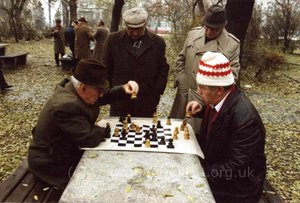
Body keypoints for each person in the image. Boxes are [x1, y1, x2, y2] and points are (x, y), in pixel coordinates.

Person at [27, 59, 139, 189]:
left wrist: (123, 89)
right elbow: (89, 138)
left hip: (64, 150)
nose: (101, 94)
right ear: (83, 87)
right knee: (97, 185)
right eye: (99, 90)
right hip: (51, 162)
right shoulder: (67, 105)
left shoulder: (76, 88)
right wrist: (104, 129)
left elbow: (101, 96)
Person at [186, 51, 266, 202]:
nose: (198, 91)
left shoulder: (247, 121)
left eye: (202, 87)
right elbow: (221, 118)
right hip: (221, 174)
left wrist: (200, 175)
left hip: (237, 189)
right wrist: (201, 109)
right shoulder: (221, 99)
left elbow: (236, 166)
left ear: (219, 90)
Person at [170, 4, 240, 135]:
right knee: (174, 134)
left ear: (223, 26)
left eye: (214, 29)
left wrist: (207, 95)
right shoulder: (193, 34)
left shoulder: (232, 44)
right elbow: (181, 60)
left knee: (196, 142)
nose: (209, 32)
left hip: (204, 104)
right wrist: (181, 80)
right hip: (183, 97)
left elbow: (231, 78)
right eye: (207, 27)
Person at [102, 7, 170, 117]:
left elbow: (163, 68)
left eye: (138, 29)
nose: (134, 33)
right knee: (119, 131)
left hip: (147, 101)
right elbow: (105, 68)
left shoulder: (158, 42)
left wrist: (156, 92)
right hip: (120, 100)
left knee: (144, 132)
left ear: (145, 25)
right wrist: (109, 91)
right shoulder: (113, 40)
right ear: (125, 25)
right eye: (130, 29)